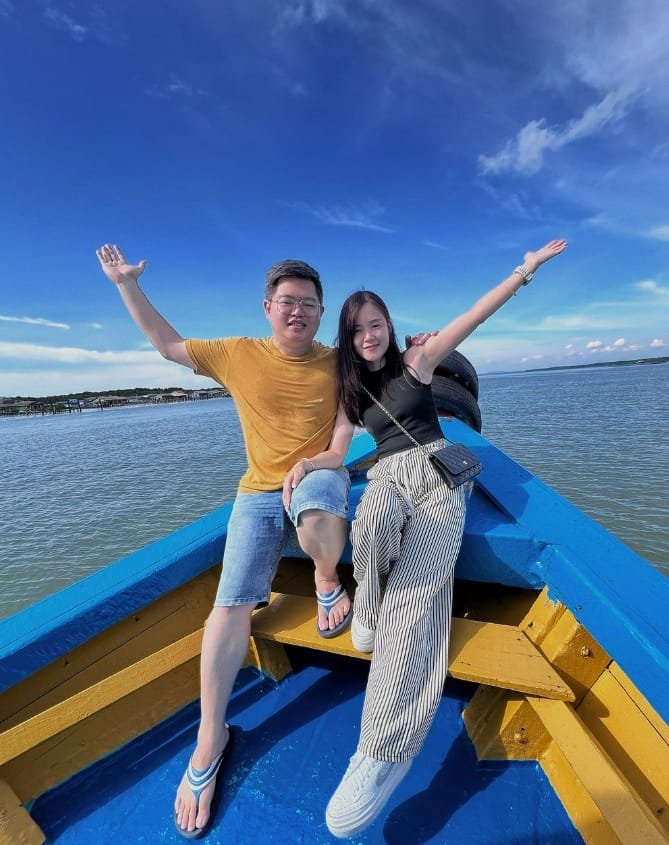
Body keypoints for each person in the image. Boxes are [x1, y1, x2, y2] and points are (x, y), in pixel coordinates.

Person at [283, 239, 568, 838]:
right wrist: (308, 466)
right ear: (349, 334)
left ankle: (382, 749)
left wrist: (524, 270)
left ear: (390, 325)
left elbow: (475, 313)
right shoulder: (350, 391)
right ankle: (369, 606)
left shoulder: (419, 363)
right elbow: (338, 451)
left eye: (377, 325)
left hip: (436, 480)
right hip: (387, 477)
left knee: (415, 605)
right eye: (358, 329)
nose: (369, 336)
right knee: (372, 521)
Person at [95, 244, 354, 838]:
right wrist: (126, 284)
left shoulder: (339, 363)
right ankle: (210, 737)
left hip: (318, 477)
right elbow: (167, 344)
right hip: (257, 493)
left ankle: (323, 578)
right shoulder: (238, 354)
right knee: (229, 605)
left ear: (321, 312)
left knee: (319, 524)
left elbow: (379, 377)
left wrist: (323, 460)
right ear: (267, 307)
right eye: (287, 302)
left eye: (309, 305)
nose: (298, 312)